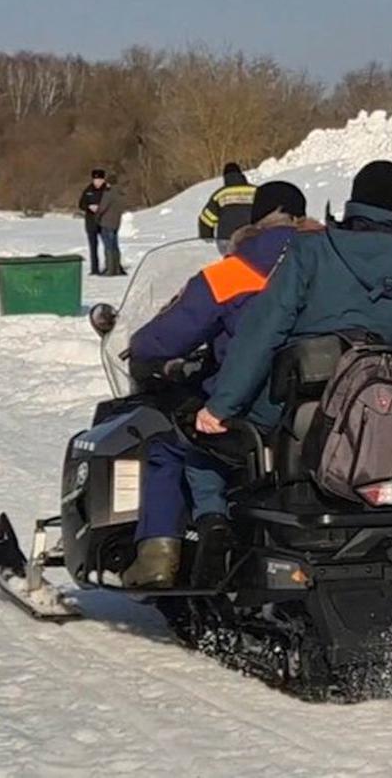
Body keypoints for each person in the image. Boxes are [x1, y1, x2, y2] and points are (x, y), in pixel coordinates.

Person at [190, 160, 392, 576]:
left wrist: (221, 406)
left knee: (199, 444)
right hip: (373, 418)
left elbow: (262, 330)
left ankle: (213, 541)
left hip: (290, 410)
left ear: (354, 201)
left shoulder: (312, 250)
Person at [122, 181, 311, 589]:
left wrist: (140, 347)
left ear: (256, 218)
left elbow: (172, 331)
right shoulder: (328, 265)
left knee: (169, 442)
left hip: (247, 406)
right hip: (317, 409)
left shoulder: (236, 270)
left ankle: (160, 554)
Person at [198, 163, 257, 250]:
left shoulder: (220, 195)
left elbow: (206, 219)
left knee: (230, 261)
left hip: (226, 240)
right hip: (252, 238)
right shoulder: (255, 191)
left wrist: (207, 237)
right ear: (240, 174)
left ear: (225, 177)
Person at [78, 169, 108, 275]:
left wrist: (101, 208)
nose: (98, 182)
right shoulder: (88, 190)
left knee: (107, 245)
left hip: (104, 222)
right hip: (91, 223)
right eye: (96, 179)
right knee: (93, 247)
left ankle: (109, 267)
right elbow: (81, 204)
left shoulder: (107, 190)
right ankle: (94, 269)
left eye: (100, 179)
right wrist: (89, 207)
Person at [96, 174, 127, 277]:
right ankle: (117, 268)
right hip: (116, 222)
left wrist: (96, 215)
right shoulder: (121, 193)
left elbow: (102, 207)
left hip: (106, 222)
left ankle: (110, 269)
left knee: (108, 247)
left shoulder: (108, 193)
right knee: (115, 246)